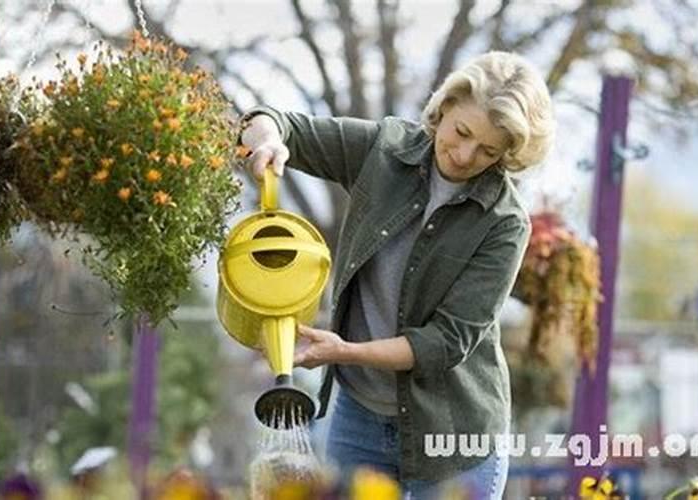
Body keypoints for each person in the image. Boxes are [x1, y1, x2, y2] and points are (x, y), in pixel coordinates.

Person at [238, 50, 555, 499]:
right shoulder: (382, 151)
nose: (464, 155)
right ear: (444, 107)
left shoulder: (504, 222)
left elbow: (445, 341)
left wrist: (344, 352)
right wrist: (269, 140)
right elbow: (270, 120)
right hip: (358, 421)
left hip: (453, 441)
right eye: (461, 132)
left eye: (488, 150)